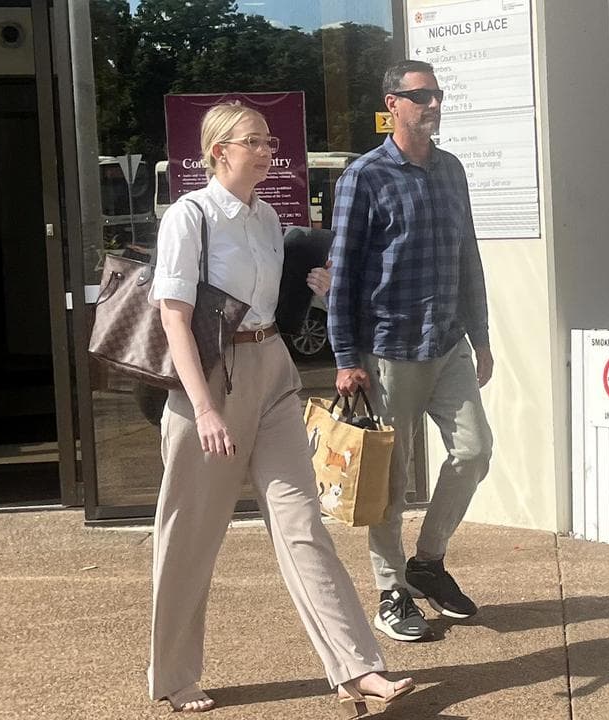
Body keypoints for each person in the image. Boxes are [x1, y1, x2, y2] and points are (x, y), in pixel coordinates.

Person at [146, 102, 413, 715]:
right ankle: (175, 676)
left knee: (303, 525)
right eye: (255, 143)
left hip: (272, 370)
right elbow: (174, 317)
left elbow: (271, 305)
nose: (269, 152)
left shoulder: (268, 219)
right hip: (210, 382)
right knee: (189, 534)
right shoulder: (190, 217)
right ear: (220, 152)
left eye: (270, 142)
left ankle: (358, 666)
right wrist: (205, 408)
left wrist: (313, 291)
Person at [328, 59, 494, 643]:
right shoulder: (364, 177)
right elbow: (343, 276)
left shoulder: (450, 170)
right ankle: (390, 590)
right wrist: (346, 358)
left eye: (437, 94)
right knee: (389, 482)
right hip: (388, 349)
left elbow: (467, 257)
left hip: (447, 341)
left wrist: (482, 336)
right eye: (419, 96)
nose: (432, 104)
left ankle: (427, 562)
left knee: (475, 451)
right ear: (391, 103)